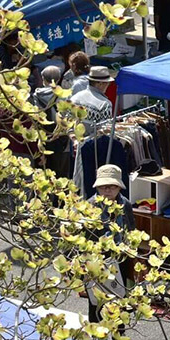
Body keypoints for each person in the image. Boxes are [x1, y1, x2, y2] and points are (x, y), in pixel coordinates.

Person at [87, 164, 135, 323]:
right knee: (95, 301)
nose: (108, 191)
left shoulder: (125, 204)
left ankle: (119, 336)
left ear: (119, 187)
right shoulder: (90, 206)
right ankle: (94, 333)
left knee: (120, 299)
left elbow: (131, 229)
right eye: (103, 187)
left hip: (120, 256)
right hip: (97, 258)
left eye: (112, 187)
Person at [32, 65, 71, 177]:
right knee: (61, 176)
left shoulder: (36, 95)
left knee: (43, 175)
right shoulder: (64, 95)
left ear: (43, 79)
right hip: (61, 138)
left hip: (42, 137)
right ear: (59, 79)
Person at [71, 65, 115, 133]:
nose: (108, 85)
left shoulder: (74, 98)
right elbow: (104, 131)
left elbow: (68, 125)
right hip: (93, 142)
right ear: (100, 84)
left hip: (74, 141)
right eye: (107, 83)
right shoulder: (104, 104)